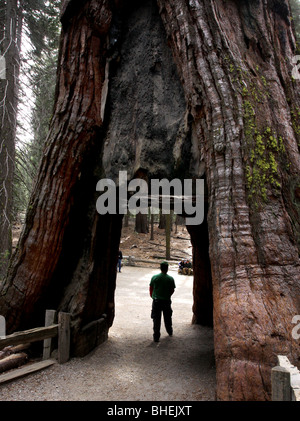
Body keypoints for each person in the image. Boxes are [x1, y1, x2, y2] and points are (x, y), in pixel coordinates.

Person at [149, 261, 176, 342]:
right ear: (167, 268)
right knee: (167, 317)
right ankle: (169, 331)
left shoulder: (155, 277)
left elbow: (151, 288)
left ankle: (156, 336)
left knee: (156, 319)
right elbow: (172, 290)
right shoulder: (170, 279)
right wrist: (167, 296)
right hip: (166, 301)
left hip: (156, 301)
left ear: (160, 268)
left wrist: (153, 296)